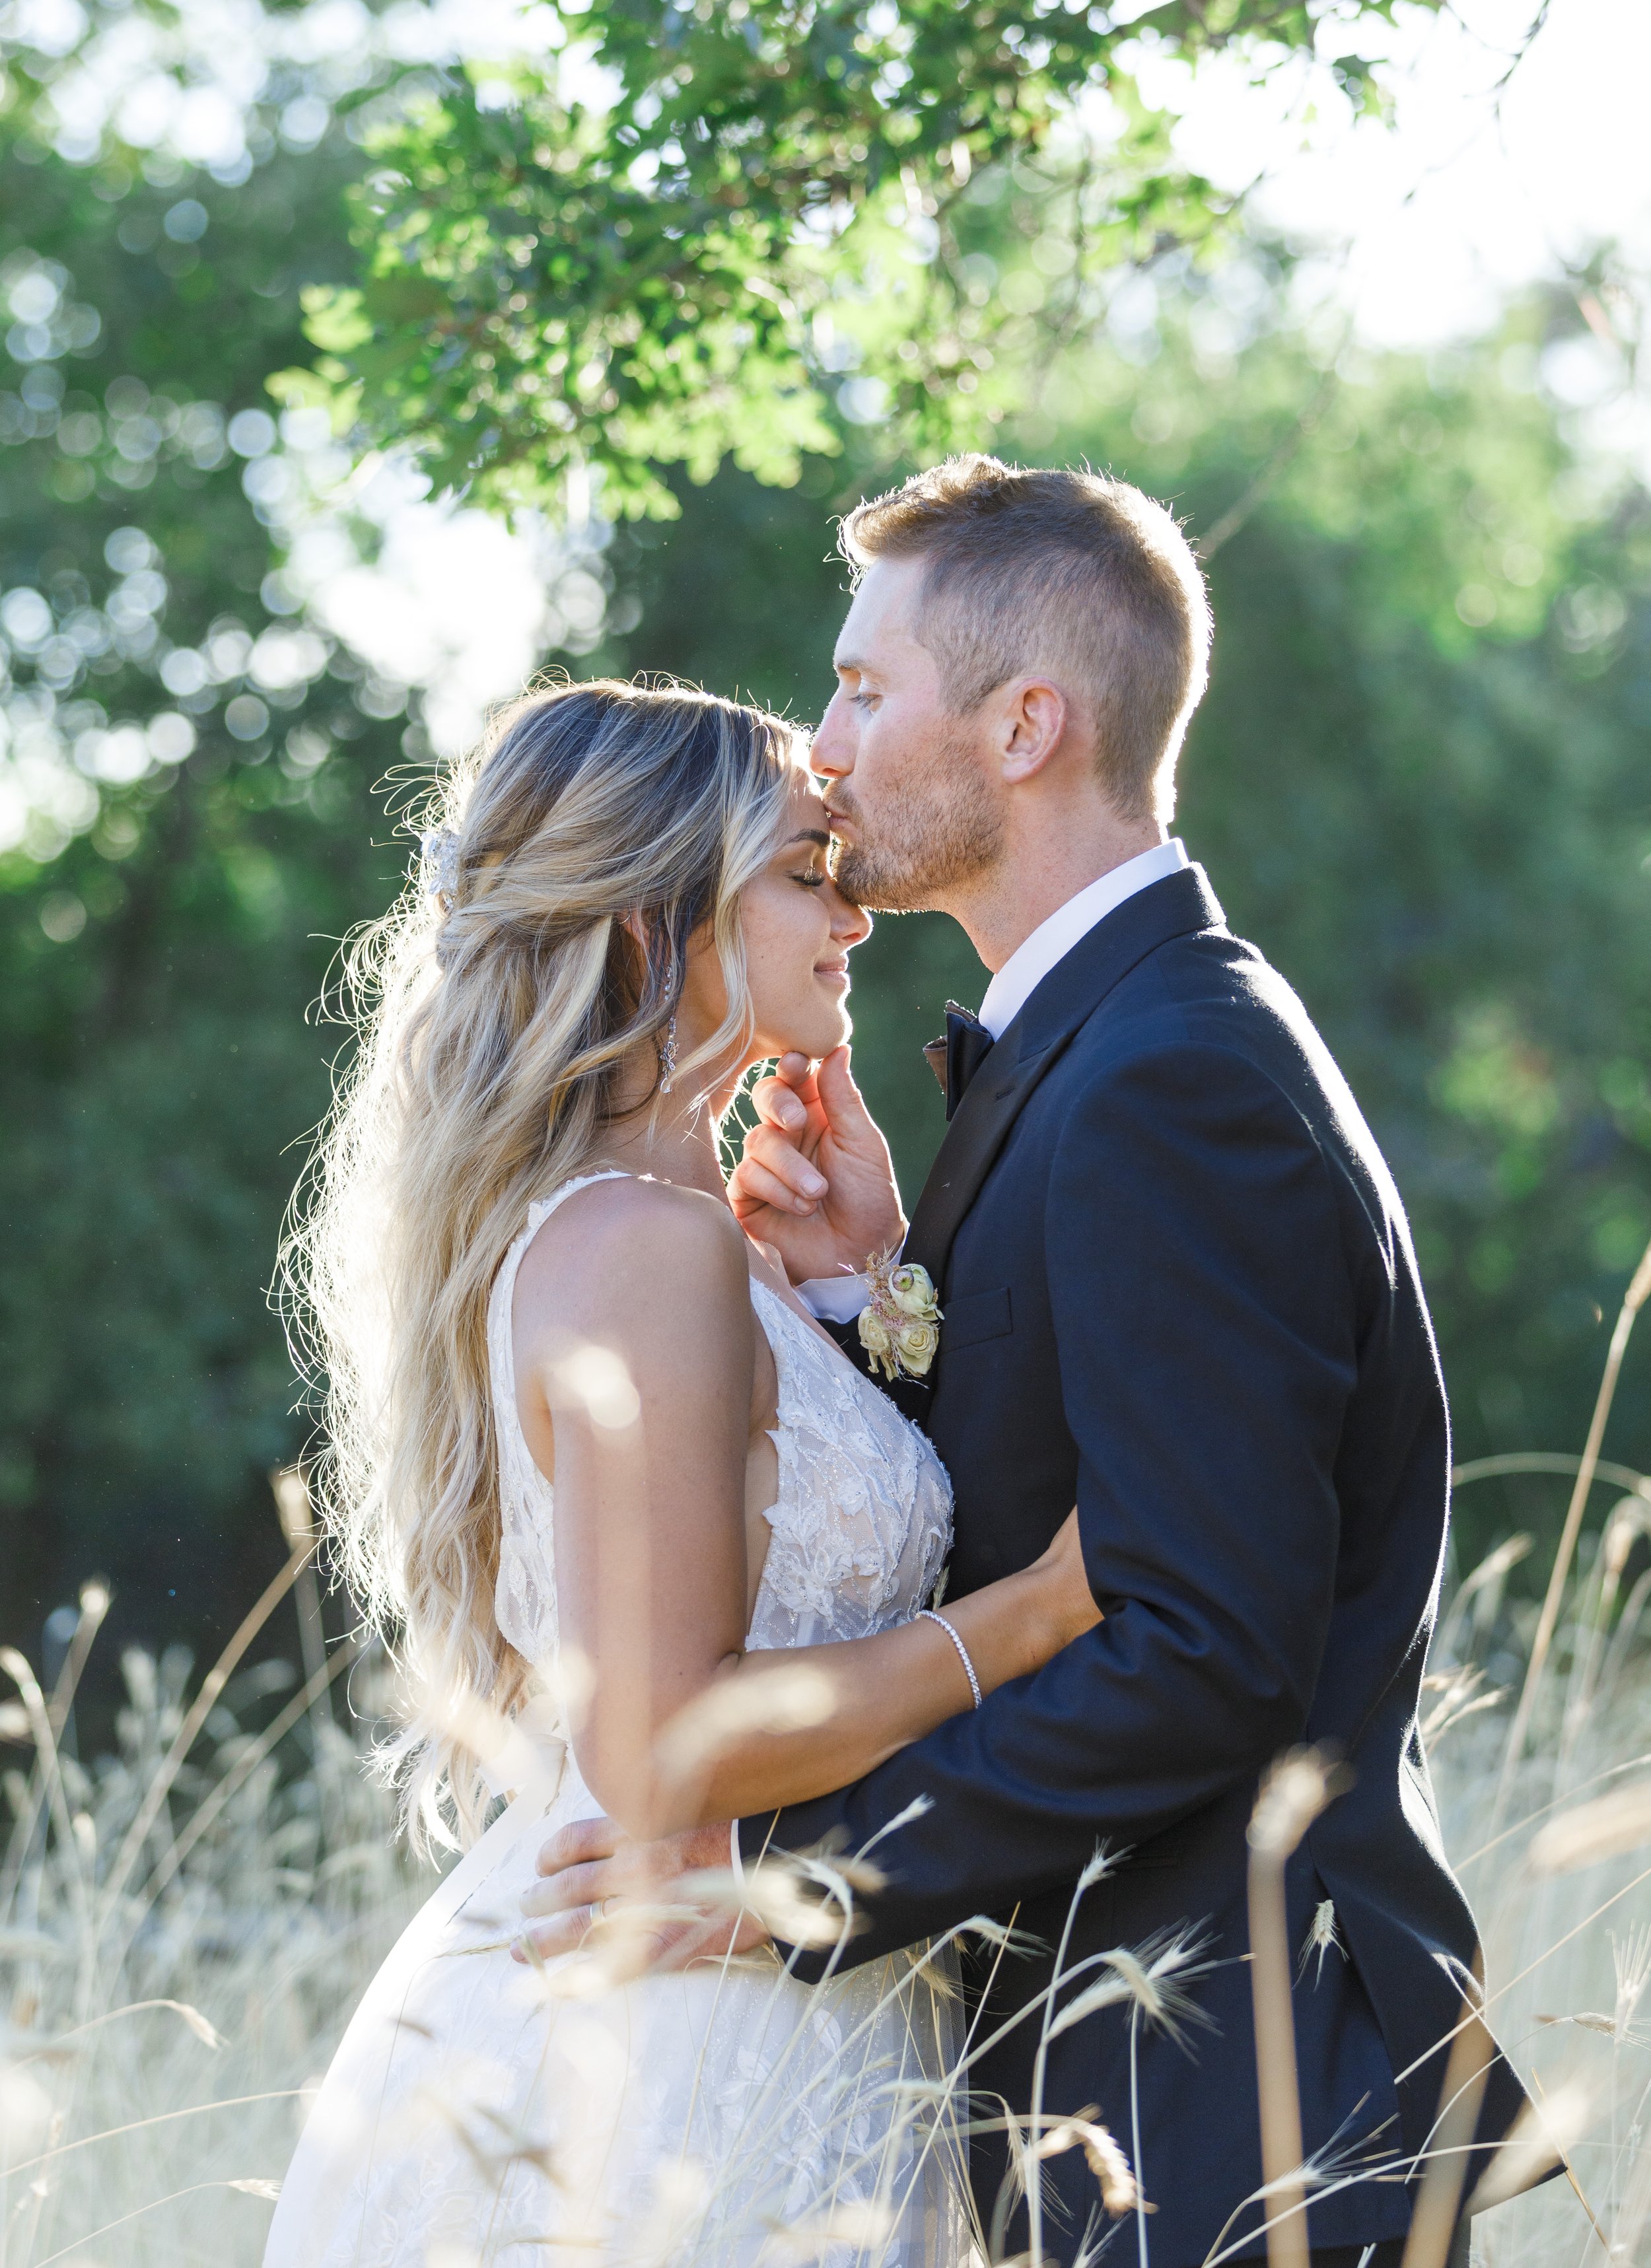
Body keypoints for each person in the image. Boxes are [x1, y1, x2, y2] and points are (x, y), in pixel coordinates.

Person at [521, 462, 1530, 2267]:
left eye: (859, 686)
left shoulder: (1169, 1075)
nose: (821, 747)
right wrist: (876, 1310)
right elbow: (1066, 1492)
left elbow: (1200, 1639)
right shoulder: (1107, 1040)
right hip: (1107, 2091)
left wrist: (788, 1876)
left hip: (1225, 2103)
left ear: (1023, 723)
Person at [263, 677, 1099, 2268]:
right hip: (680, 2050)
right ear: (655, 929)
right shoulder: (643, 1248)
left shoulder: (669, 1236)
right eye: (804, 872)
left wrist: (867, 1282)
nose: (850, 920)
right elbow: (661, 1744)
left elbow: (800, 1544)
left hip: (756, 1988)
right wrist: (1036, 1613)